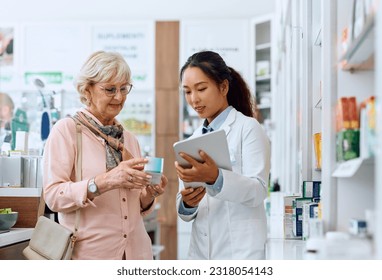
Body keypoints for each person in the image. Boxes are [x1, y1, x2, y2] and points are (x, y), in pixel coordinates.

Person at [42, 51, 168, 260]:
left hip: (137, 255)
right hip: (91, 256)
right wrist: (105, 181)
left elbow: (134, 206)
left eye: (124, 88)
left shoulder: (129, 139)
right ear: (87, 89)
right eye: (110, 89)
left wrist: (150, 194)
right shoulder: (67, 131)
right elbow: (54, 197)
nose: (119, 97)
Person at [175, 50, 271, 259]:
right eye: (187, 92)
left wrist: (215, 177)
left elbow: (259, 190)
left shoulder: (248, 128)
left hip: (240, 253)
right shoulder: (191, 140)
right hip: (202, 252)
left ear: (224, 87)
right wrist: (188, 203)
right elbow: (184, 210)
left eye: (201, 89)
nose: (194, 99)